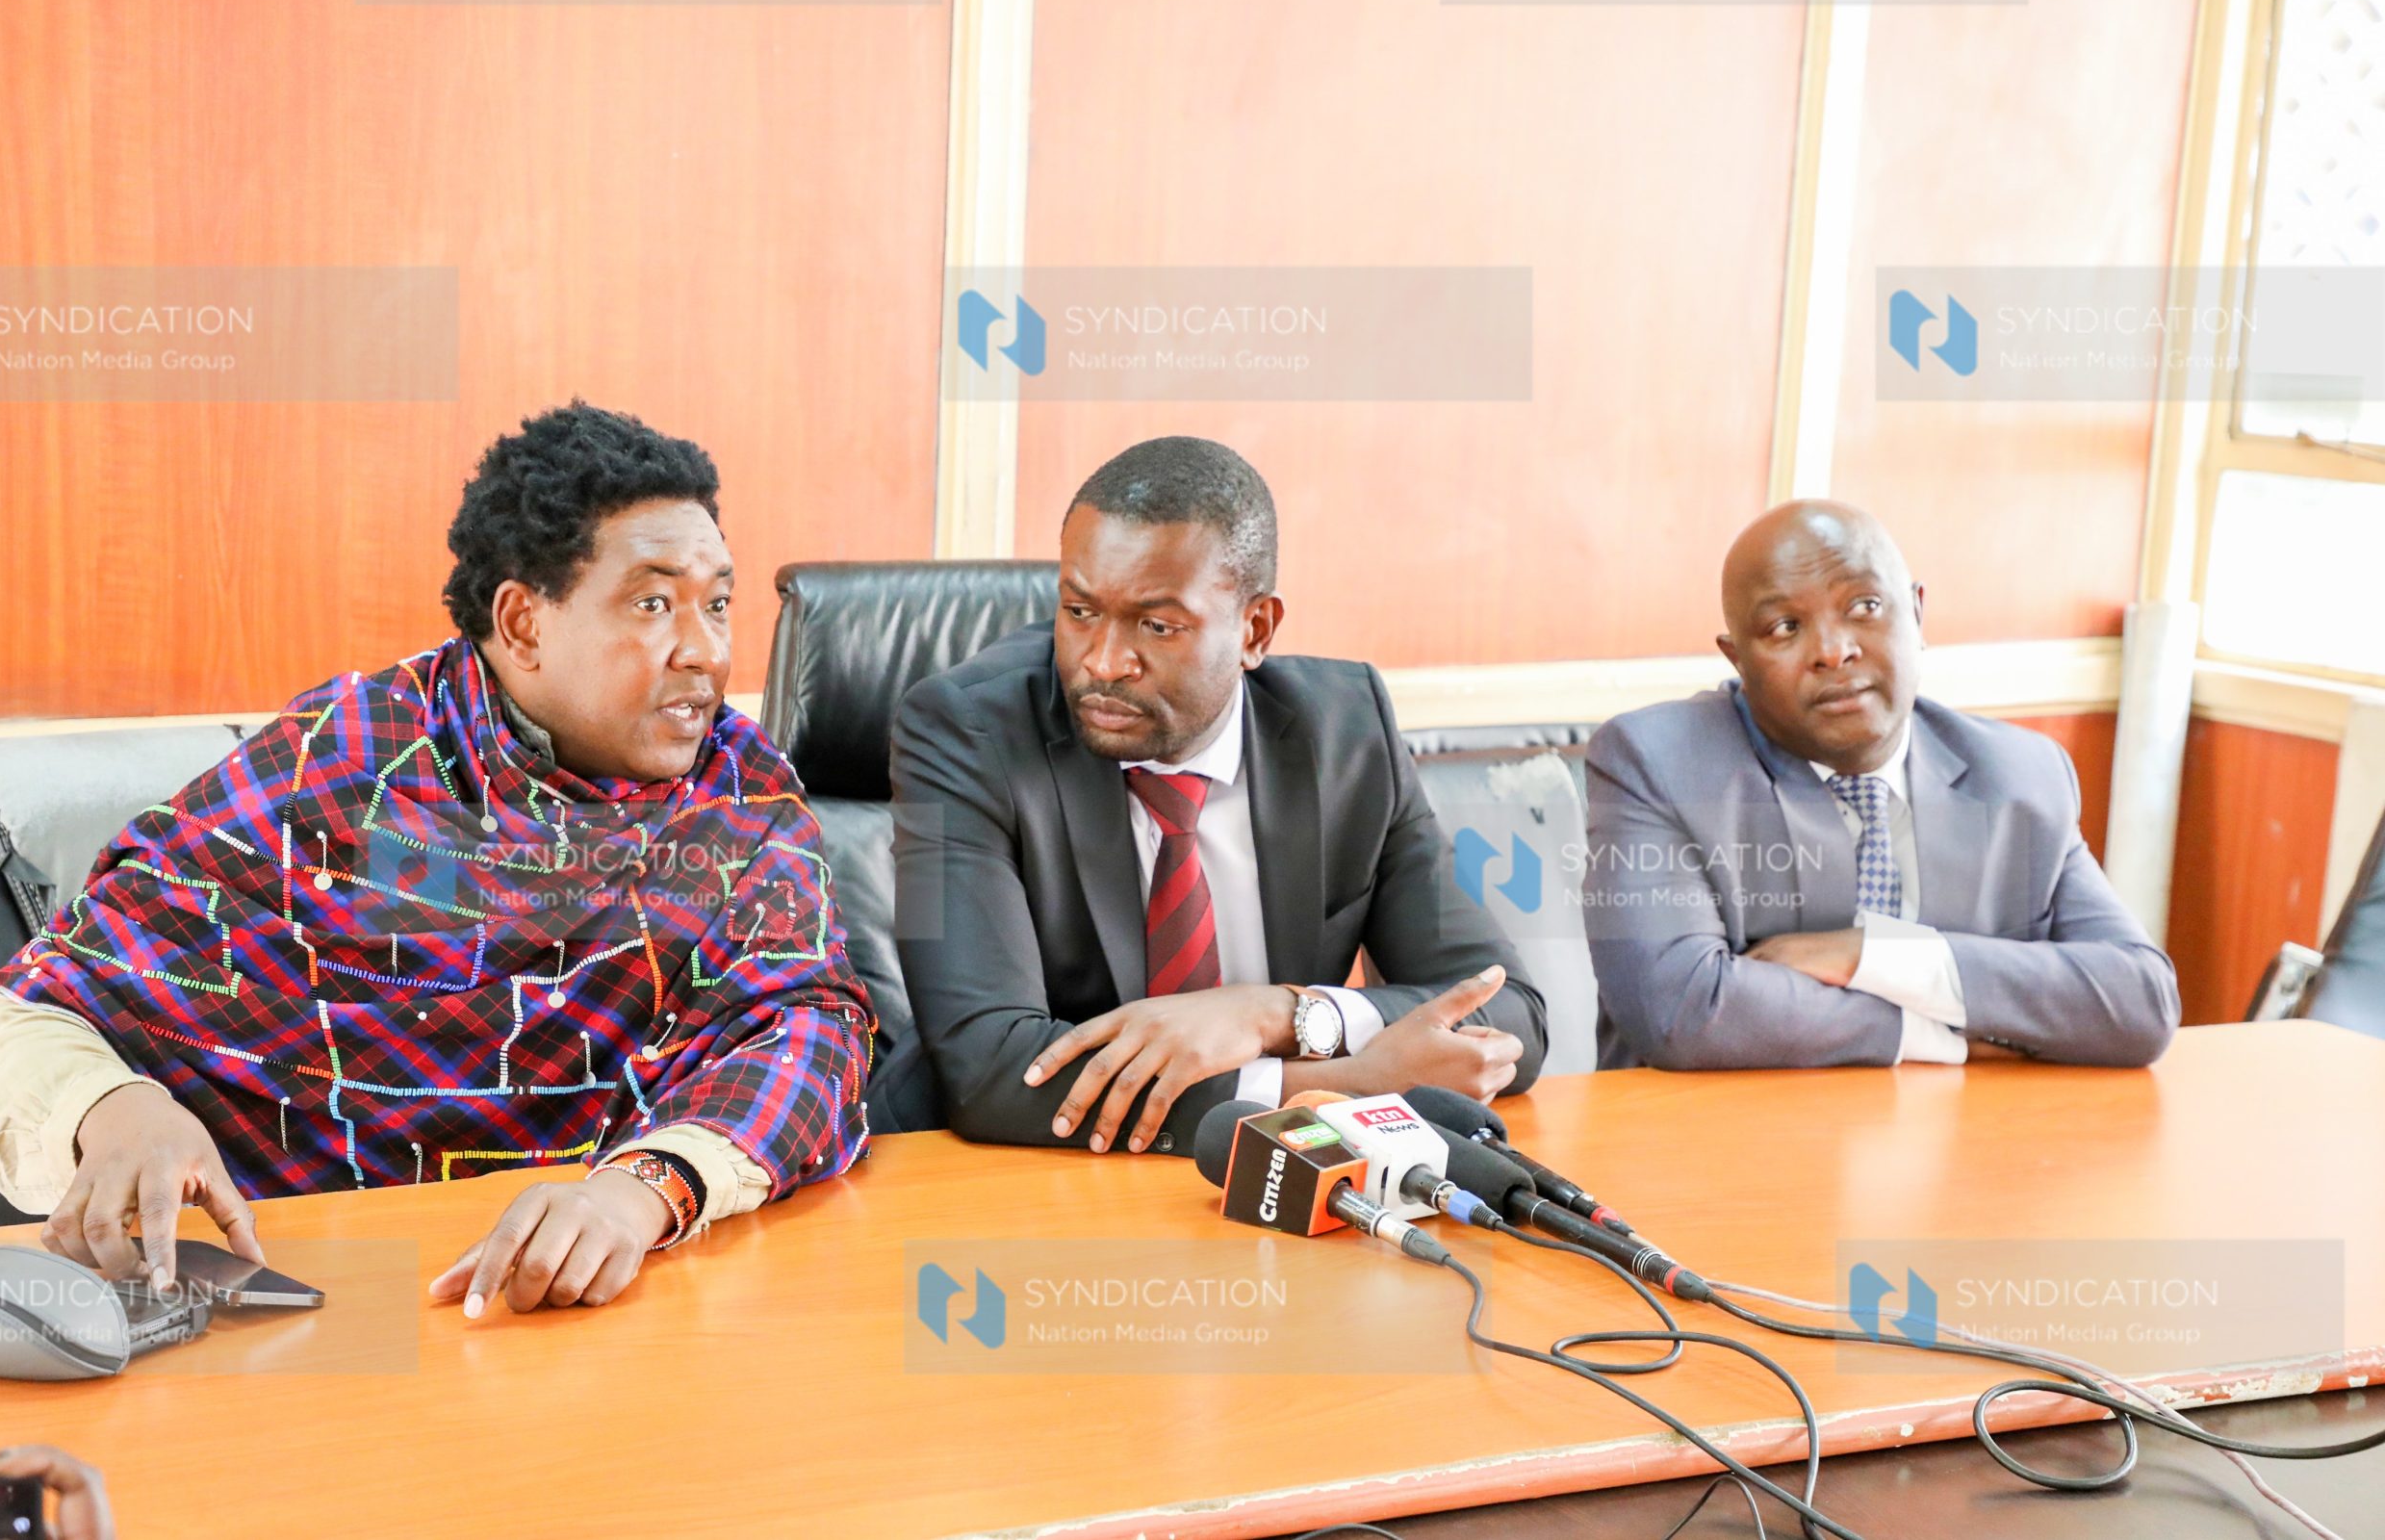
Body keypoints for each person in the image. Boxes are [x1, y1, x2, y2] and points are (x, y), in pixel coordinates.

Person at [0, 403, 873, 1315]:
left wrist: (641, 1189)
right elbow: (18, 1032)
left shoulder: (737, 798)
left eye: (718, 603)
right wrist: (109, 1109)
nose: (706, 651)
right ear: (523, 623)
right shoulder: (346, 767)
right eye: (654, 603)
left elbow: (812, 1033)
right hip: (304, 1310)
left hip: (598, 1307)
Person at [892, 436, 1546, 1155]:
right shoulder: (956, 733)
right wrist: (1342, 1083)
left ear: (1255, 630)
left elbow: (1508, 1012)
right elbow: (986, 1068)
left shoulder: (1348, 733)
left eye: (1157, 625)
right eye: (1079, 611)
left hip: (1264, 1189)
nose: (1103, 661)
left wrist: (1273, 1014)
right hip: (1000, 1177)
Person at [1583, 499, 2178, 1070]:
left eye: (1865, 606)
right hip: (1723, 1134)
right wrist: (1941, 1037)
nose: (1833, 651)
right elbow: (1683, 1012)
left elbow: (2140, 1003)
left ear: (1917, 613)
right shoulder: (1659, 763)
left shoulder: (2019, 775)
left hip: (1967, 1132)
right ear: (1738, 660)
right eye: (1785, 627)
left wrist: (1875, 955)